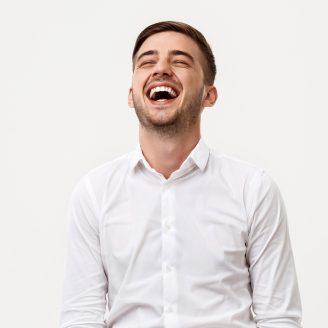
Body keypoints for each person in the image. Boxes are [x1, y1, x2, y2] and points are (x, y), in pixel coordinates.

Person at [60, 21, 302, 328]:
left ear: (209, 95)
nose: (160, 68)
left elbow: (278, 317)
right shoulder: (94, 192)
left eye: (180, 61)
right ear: (132, 94)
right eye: (147, 62)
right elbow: (81, 316)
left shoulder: (252, 189)